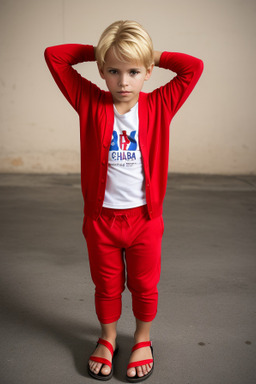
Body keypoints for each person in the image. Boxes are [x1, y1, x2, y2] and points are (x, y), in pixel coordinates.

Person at [44, 20, 203, 382]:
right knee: (106, 285)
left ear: (148, 71)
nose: (123, 81)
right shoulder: (89, 101)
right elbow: (55, 57)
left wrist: (148, 53)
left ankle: (143, 340)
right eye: (113, 71)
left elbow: (193, 66)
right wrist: (102, 50)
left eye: (133, 71)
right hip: (101, 220)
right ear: (101, 71)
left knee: (145, 285)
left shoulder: (161, 104)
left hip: (145, 220)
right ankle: (108, 337)